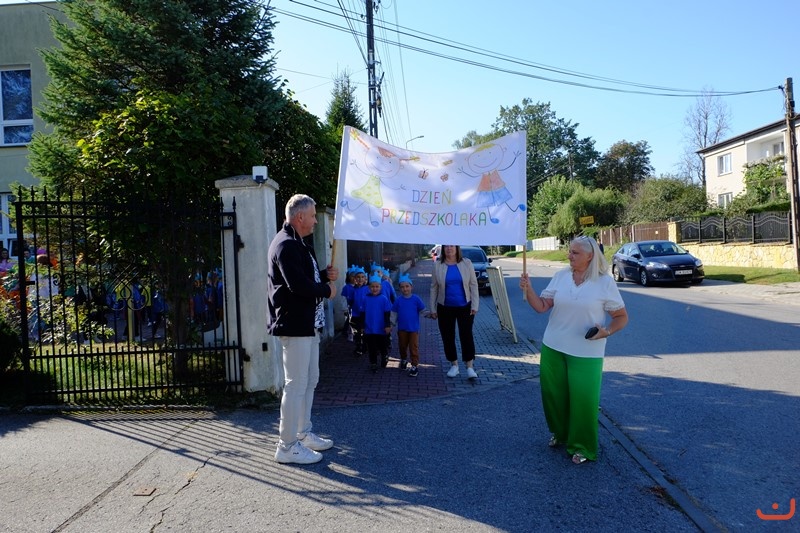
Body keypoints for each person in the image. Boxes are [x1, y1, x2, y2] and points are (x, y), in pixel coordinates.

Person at [519, 235, 628, 465]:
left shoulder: (604, 283)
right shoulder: (560, 276)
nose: (569, 255)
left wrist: (606, 331)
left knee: (584, 400)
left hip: (587, 352)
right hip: (553, 346)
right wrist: (528, 290)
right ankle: (561, 433)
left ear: (590, 256)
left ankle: (583, 446)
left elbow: (621, 317)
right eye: (569, 251)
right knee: (553, 396)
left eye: (575, 252)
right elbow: (542, 306)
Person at [268, 194, 338, 465]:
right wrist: (326, 290)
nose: (315, 222)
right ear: (300, 217)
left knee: (309, 380)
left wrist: (323, 275)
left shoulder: (298, 242)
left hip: (308, 323)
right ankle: (286, 446)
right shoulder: (286, 244)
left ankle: (302, 433)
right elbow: (297, 285)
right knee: (295, 384)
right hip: (295, 323)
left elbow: (305, 276)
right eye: (312, 216)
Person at [429, 244, 479, 379]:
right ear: (443, 249)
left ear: (457, 248)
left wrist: (475, 305)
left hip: (465, 306)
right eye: (446, 246)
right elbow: (434, 287)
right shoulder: (437, 265)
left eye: (452, 246)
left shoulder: (466, 263)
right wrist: (432, 308)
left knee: (466, 335)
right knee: (447, 336)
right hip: (445, 307)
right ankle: (454, 365)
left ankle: (470, 367)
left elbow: (473, 284)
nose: (449, 248)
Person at [391, 273, 427, 377]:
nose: (405, 289)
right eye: (402, 287)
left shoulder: (416, 299)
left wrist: (430, 314)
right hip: (402, 329)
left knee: (413, 347)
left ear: (411, 287)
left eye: (407, 286)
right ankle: (403, 359)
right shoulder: (398, 300)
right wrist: (391, 324)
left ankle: (414, 365)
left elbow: (423, 310)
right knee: (402, 346)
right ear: (400, 289)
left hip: (413, 329)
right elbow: (394, 313)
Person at [363, 274, 392, 372]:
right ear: (369, 287)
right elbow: (363, 313)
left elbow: (387, 313)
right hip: (369, 327)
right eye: (372, 287)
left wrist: (387, 325)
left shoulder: (383, 299)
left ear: (380, 287)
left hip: (381, 327)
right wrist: (362, 326)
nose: (374, 289)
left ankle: (384, 356)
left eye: (377, 286)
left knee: (382, 345)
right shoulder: (366, 298)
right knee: (371, 346)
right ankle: (373, 363)